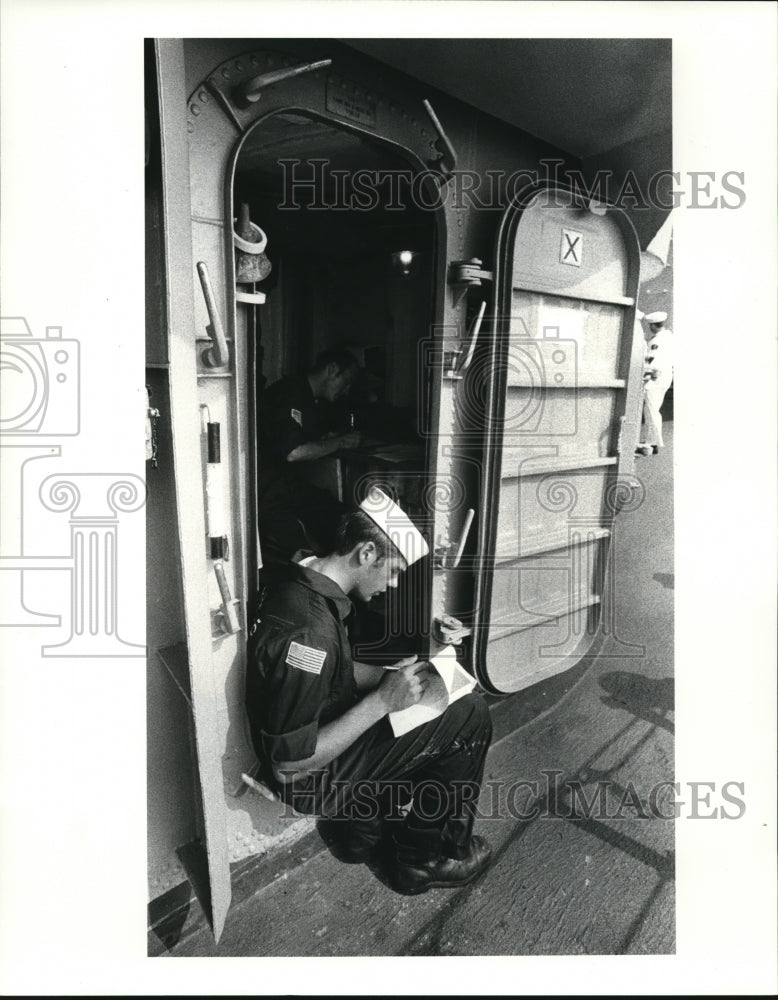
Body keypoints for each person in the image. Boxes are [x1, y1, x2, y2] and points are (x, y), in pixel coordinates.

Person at [245, 487, 493, 895]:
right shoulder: (310, 635)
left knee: (446, 695)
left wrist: (403, 669)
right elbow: (291, 766)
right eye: (392, 571)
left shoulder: (301, 582)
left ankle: (363, 827)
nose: (392, 584)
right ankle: (422, 859)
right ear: (365, 554)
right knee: (471, 717)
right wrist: (382, 702)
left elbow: (335, 673)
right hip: (313, 779)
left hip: (321, 737)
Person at [257, 346, 364, 563]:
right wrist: (340, 442)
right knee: (301, 553)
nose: (346, 391)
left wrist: (325, 440)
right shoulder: (287, 392)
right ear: (332, 369)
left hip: (287, 485)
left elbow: (304, 440)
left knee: (344, 520)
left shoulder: (309, 400)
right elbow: (294, 452)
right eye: (346, 382)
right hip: (265, 490)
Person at [636, 310, 674, 457]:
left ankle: (653, 442)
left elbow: (653, 361)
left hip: (656, 379)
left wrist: (648, 375)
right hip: (665, 377)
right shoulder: (670, 337)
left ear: (652, 325)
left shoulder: (657, 341)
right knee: (652, 408)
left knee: (651, 410)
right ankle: (651, 440)